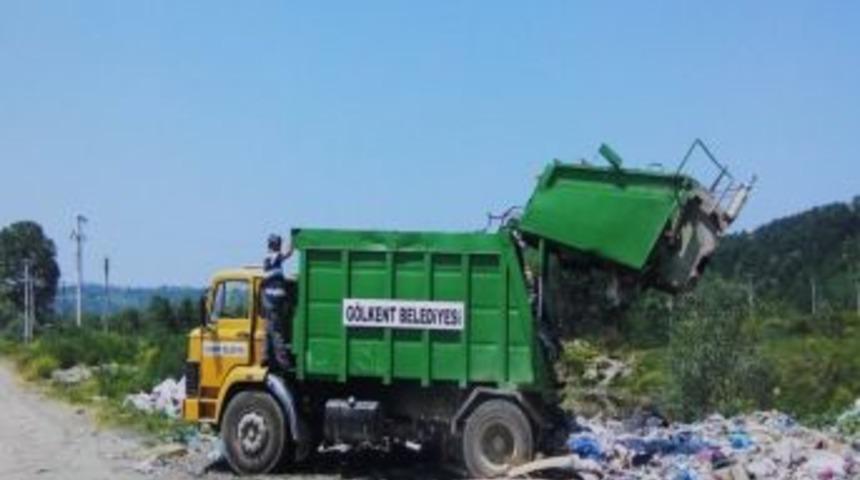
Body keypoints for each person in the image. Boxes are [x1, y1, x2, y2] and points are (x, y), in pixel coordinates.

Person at [262, 233, 294, 373]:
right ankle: (284, 362)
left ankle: (266, 358)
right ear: (274, 245)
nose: (279, 246)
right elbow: (288, 253)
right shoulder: (273, 257)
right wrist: (294, 240)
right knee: (277, 332)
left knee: (269, 330)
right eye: (278, 244)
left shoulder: (268, 258)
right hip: (275, 299)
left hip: (269, 299)